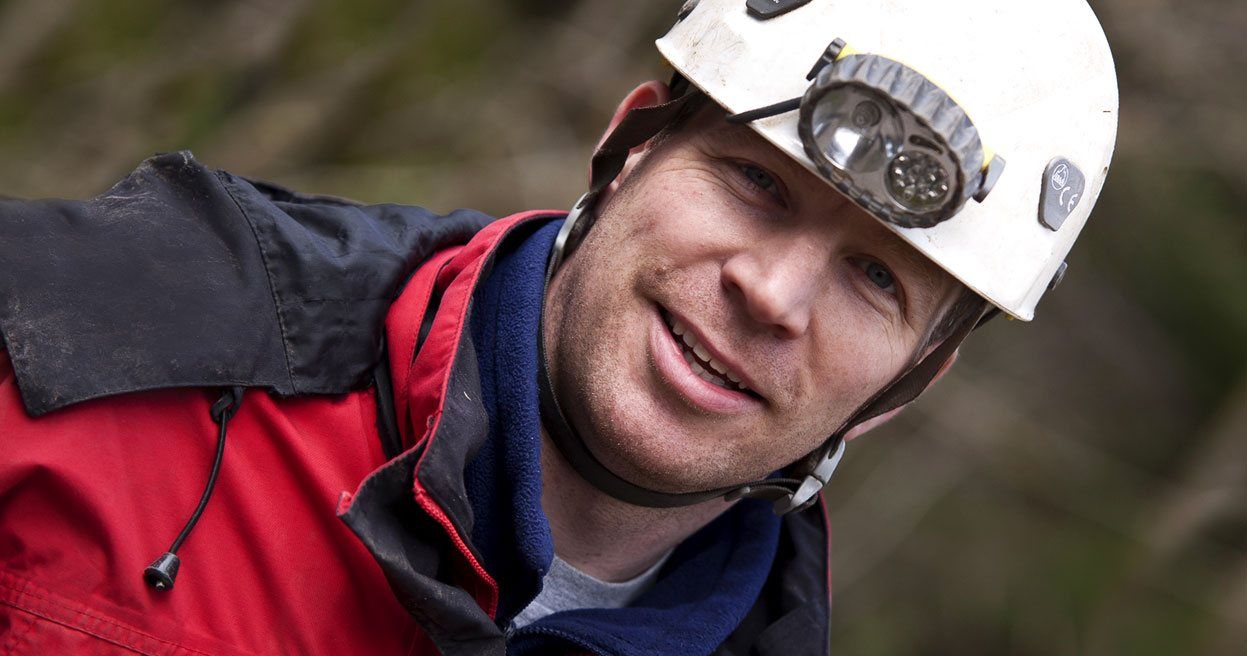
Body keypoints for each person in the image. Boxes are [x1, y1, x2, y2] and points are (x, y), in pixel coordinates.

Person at [0, 1, 1118, 654]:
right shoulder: (106, 330)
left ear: (911, 381)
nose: (773, 294)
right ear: (628, 149)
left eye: (875, 278)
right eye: (754, 184)